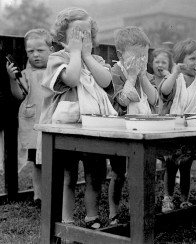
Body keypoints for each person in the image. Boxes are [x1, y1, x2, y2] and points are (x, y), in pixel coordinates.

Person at [37, 7, 117, 231]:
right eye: (76, 34)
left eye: (86, 34)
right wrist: (74, 54)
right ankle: (66, 221)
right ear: (63, 36)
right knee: (67, 177)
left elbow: (105, 80)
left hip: (93, 128)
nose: (82, 38)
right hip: (66, 130)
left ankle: (92, 217)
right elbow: (71, 79)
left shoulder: (96, 59)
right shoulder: (58, 58)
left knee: (95, 175)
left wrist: (87, 56)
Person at [158, 38, 196, 212]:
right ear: (181, 61)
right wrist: (175, 72)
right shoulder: (174, 79)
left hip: (191, 131)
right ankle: (167, 198)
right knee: (170, 167)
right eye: (192, 59)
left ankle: (185, 199)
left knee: (186, 167)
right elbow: (164, 91)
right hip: (171, 129)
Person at [109, 26, 158, 225]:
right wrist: (131, 76)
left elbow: (154, 99)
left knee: (141, 172)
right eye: (136, 56)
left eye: (144, 56)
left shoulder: (144, 74)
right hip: (121, 129)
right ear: (121, 55)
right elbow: (122, 100)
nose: (140, 61)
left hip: (143, 129)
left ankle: (139, 210)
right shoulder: (117, 72)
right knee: (119, 173)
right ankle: (113, 212)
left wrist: (143, 76)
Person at [6, 29, 54, 206]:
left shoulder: (56, 71)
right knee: (37, 162)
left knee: (54, 160)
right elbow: (19, 95)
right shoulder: (25, 74)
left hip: (52, 122)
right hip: (34, 124)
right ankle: (38, 195)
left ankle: (54, 192)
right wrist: (13, 79)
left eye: (40, 50)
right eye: (30, 51)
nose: (35, 55)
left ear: (51, 49)